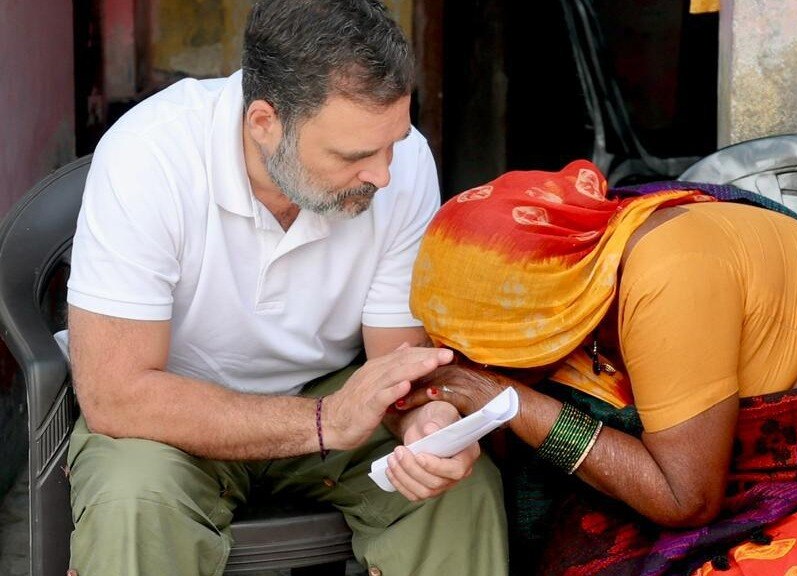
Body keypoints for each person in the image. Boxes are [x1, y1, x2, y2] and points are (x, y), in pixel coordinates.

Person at [401, 159, 797, 575]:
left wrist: (508, 399)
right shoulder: (580, 261)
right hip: (716, 447)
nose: (472, 361)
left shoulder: (666, 277)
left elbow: (684, 498)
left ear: (546, 312)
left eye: (486, 346)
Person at [63, 1, 507, 574]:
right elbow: (115, 394)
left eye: (393, 142)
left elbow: (397, 362)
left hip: (339, 393)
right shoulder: (150, 156)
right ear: (264, 124)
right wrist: (325, 421)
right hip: (172, 409)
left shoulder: (405, 165)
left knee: (455, 490)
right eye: (354, 155)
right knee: (132, 502)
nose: (384, 174)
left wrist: (428, 422)